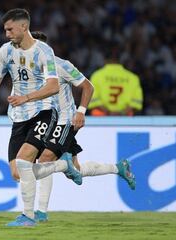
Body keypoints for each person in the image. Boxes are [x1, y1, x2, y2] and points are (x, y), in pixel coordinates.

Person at [0, 9, 81, 227]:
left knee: (25, 160)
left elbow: (53, 86)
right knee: (18, 172)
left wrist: (26, 97)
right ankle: (63, 166)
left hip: (43, 111)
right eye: (5, 30)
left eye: (9, 29)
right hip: (19, 116)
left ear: (23, 27)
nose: (6, 34)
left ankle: (28, 216)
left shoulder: (44, 51)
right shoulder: (5, 51)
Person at [27, 31, 136, 222]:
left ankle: (41, 213)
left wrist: (81, 111)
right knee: (75, 170)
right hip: (48, 121)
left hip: (65, 120)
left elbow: (88, 86)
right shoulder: (29, 69)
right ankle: (118, 168)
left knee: (44, 159)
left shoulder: (61, 65)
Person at [88, 45, 143, 116]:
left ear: (105, 60)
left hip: (101, 119)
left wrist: (108, 112)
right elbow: (136, 101)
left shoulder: (97, 75)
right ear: (120, 60)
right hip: (125, 119)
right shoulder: (133, 77)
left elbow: (93, 99)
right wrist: (121, 113)